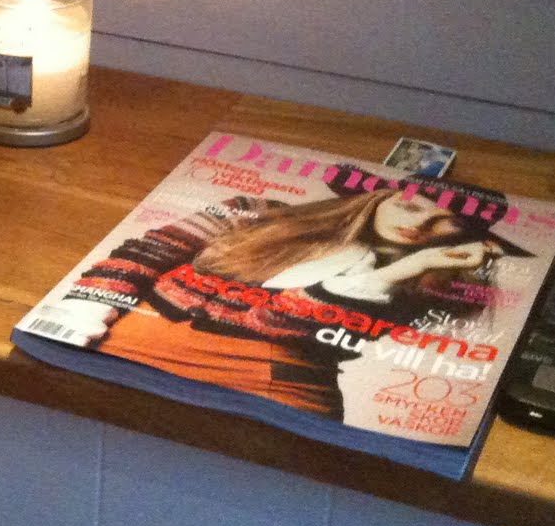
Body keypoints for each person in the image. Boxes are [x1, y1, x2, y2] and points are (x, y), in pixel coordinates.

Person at [51, 180, 524, 421]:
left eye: (446, 223)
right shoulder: (252, 211)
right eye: (410, 205)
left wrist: (399, 271)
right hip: (120, 343)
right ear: (379, 197)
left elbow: (280, 320)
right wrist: (85, 307)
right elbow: (149, 251)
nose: (417, 225)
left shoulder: (422, 283)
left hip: (272, 387)